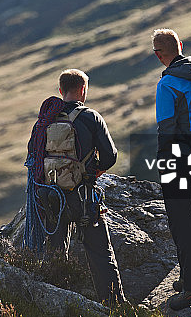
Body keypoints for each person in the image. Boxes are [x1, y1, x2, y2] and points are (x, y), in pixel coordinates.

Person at [29, 68, 126, 305]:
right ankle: (113, 306)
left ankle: (55, 305)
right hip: (83, 198)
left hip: (52, 197)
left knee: (54, 253)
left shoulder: (45, 120)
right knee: (100, 253)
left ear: (61, 91)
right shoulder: (91, 117)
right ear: (83, 90)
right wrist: (92, 173)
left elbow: (33, 155)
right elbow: (110, 156)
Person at [152, 28, 191, 311]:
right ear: (181, 46)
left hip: (177, 156)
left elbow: (166, 129)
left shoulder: (167, 85)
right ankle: (188, 277)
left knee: (181, 219)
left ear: (158, 54)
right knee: (187, 212)